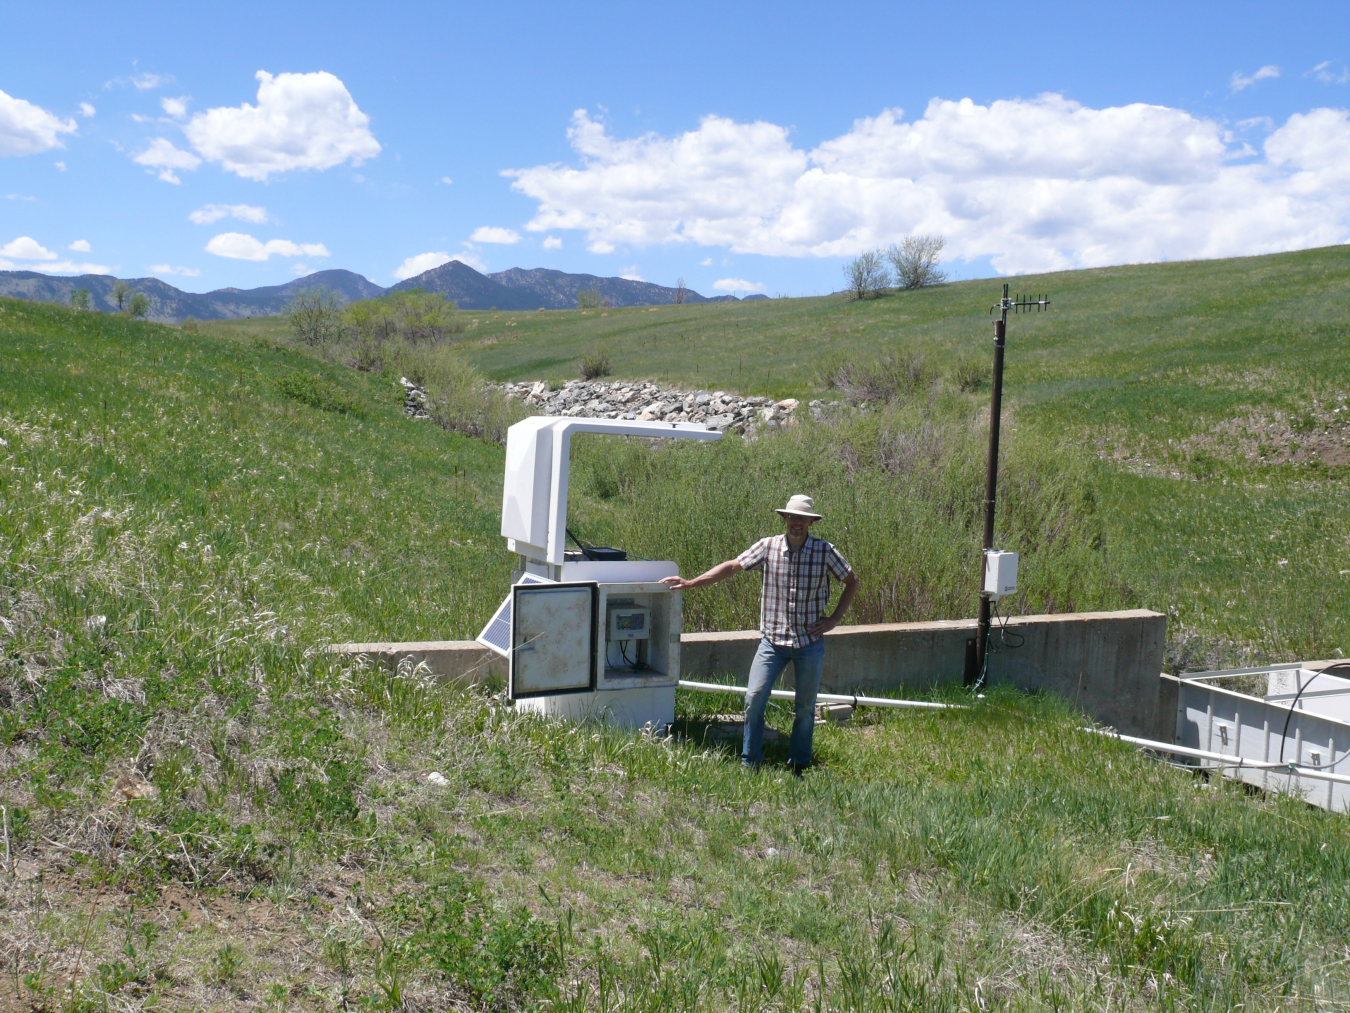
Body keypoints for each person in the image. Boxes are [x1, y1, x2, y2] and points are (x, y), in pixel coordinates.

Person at [662, 494, 859, 772]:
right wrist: (693, 582)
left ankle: (799, 764)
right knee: (754, 698)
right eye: (792, 517)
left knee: (805, 708)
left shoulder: (825, 551)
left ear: (811, 522)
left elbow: (852, 581)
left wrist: (834, 619)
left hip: (809, 643)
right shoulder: (768, 547)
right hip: (772, 643)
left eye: (802, 518)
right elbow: (732, 566)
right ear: (785, 518)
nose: (797, 523)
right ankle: (750, 762)